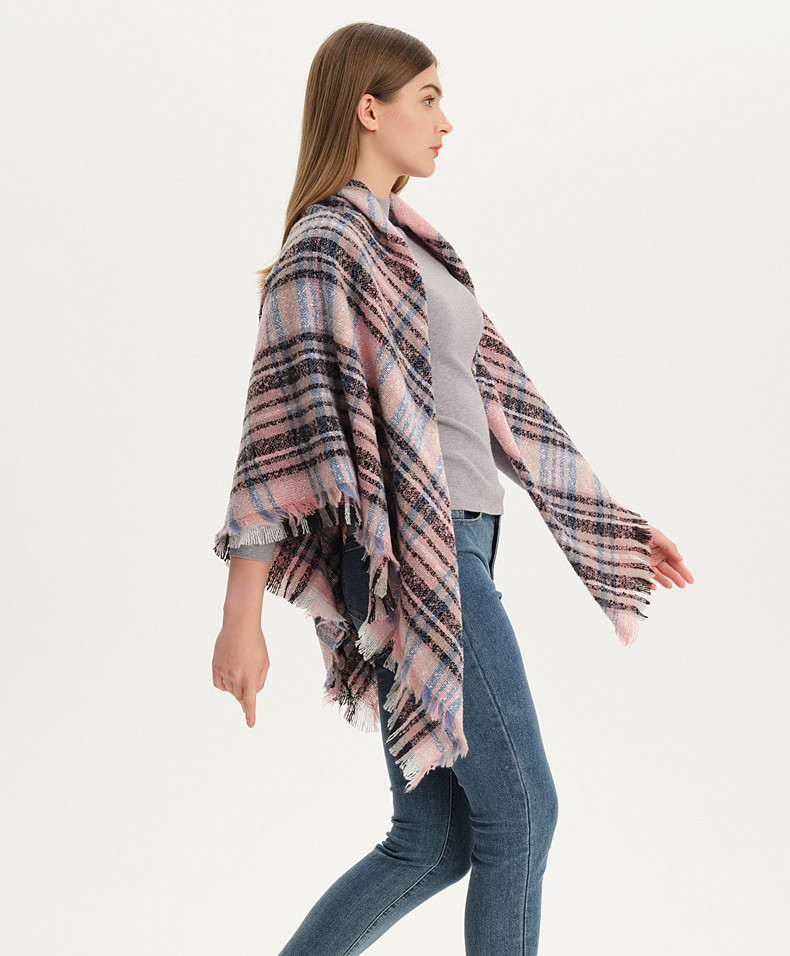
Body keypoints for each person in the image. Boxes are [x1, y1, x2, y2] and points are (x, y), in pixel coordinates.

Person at [211, 21, 694, 956]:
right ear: (369, 109)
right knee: (526, 814)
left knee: (431, 843)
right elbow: (271, 446)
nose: (445, 121)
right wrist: (240, 618)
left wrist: (615, 525)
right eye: (428, 99)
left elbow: (502, 399)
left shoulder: (415, 244)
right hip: (414, 560)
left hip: (460, 544)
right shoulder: (327, 248)